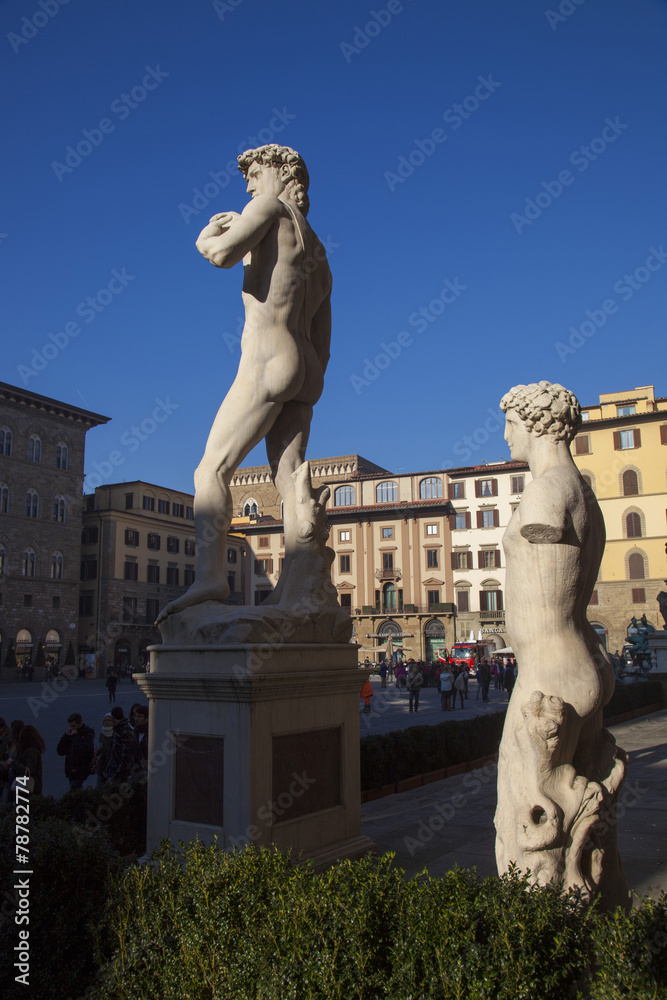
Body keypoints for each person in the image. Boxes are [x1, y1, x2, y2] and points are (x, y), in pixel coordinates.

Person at [158, 144, 332, 622]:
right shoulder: (318, 250)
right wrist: (304, 377)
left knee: (210, 470)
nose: (250, 185)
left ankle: (210, 578)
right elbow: (324, 337)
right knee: (290, 475)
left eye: (255, 174)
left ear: (280, 173)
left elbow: (221, 255)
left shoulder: (269, 207)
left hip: (268, 356)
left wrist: (206, 236)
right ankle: (298, 581)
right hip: (308, 369)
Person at [57, 713, 95, 789]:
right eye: (70, 726)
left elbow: (83, 751)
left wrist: (75, 736)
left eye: (73, 726)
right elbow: (60, 751)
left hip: (81, 770)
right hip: (71, 771)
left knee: (75, 790)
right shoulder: (70, 733)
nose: (71, 728)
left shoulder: (87, 734)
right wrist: (65, 737)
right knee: (77, 792)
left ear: (80, 723)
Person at [12, 725, 45, 795]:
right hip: (31, 787)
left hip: (29, 788)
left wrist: (13, 763)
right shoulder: (33, 751)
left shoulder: (31, 752)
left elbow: (28, 770)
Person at [105, 706, 135, 783]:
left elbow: (125, 754)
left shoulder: (125, 730)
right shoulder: (118, 729)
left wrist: (118, 772)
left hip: (119, 770)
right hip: (115, 768)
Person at [94, 714, 114, 788]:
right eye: (105, 720)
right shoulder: (102, 734)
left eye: (109, 720)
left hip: (112, 765)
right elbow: (99, 747)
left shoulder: (116, 733)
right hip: (102, 765)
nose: (107, 722)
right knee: (99, 787)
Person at [132, 706, 149, 773]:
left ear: (147, 718)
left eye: (139, 717)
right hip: (136, 769)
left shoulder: (152, 733)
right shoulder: (135, 731)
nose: (136, 719)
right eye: (135, 716)